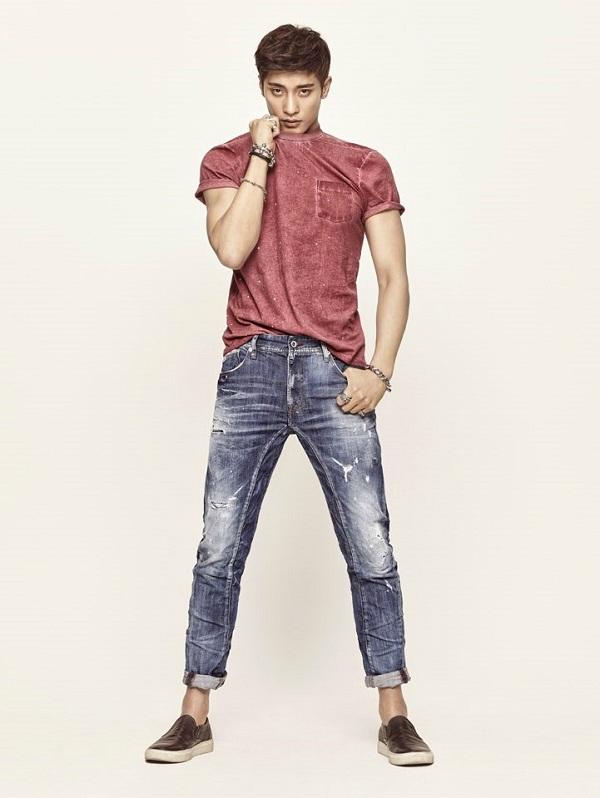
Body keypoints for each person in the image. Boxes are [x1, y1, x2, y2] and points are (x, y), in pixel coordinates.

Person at [145, 23, 434, 767]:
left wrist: (380, 370)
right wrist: (263, 156)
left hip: (336, 374)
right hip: (250, 369)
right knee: (220, 543)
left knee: (370, 541)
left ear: (326, 87)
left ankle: (395, 712)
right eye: (277, 91)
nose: (291, 104)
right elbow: (232, 248)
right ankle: (194, 713)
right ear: (261, 89)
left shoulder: (363, 165)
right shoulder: (229, 158)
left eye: (304, 90)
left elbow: (394, 276)